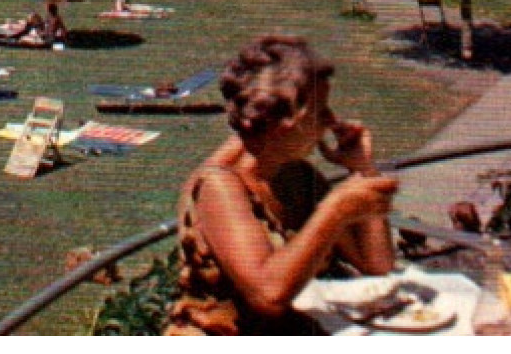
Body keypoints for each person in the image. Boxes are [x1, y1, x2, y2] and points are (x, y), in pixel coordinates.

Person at [165, 35, 397, 336]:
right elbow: (268, 296)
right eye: (320, 109)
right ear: (281, 120)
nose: (331, 120)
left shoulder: (298, 176)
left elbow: (378, 265)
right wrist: (335, 210)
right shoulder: (219, 186)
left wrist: (363, 169)